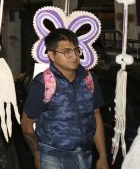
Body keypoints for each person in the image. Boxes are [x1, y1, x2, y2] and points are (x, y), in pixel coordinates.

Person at [21, 29, 108, 169]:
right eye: (66, 51)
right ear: (51, 55)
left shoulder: (89, 79)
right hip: (53, 158)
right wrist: (37, 153)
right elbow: (26, 125)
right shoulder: (43, 84)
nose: (74, 56)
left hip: (85, 156)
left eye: (76, 50)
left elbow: (96, 116)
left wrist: (103, 156)